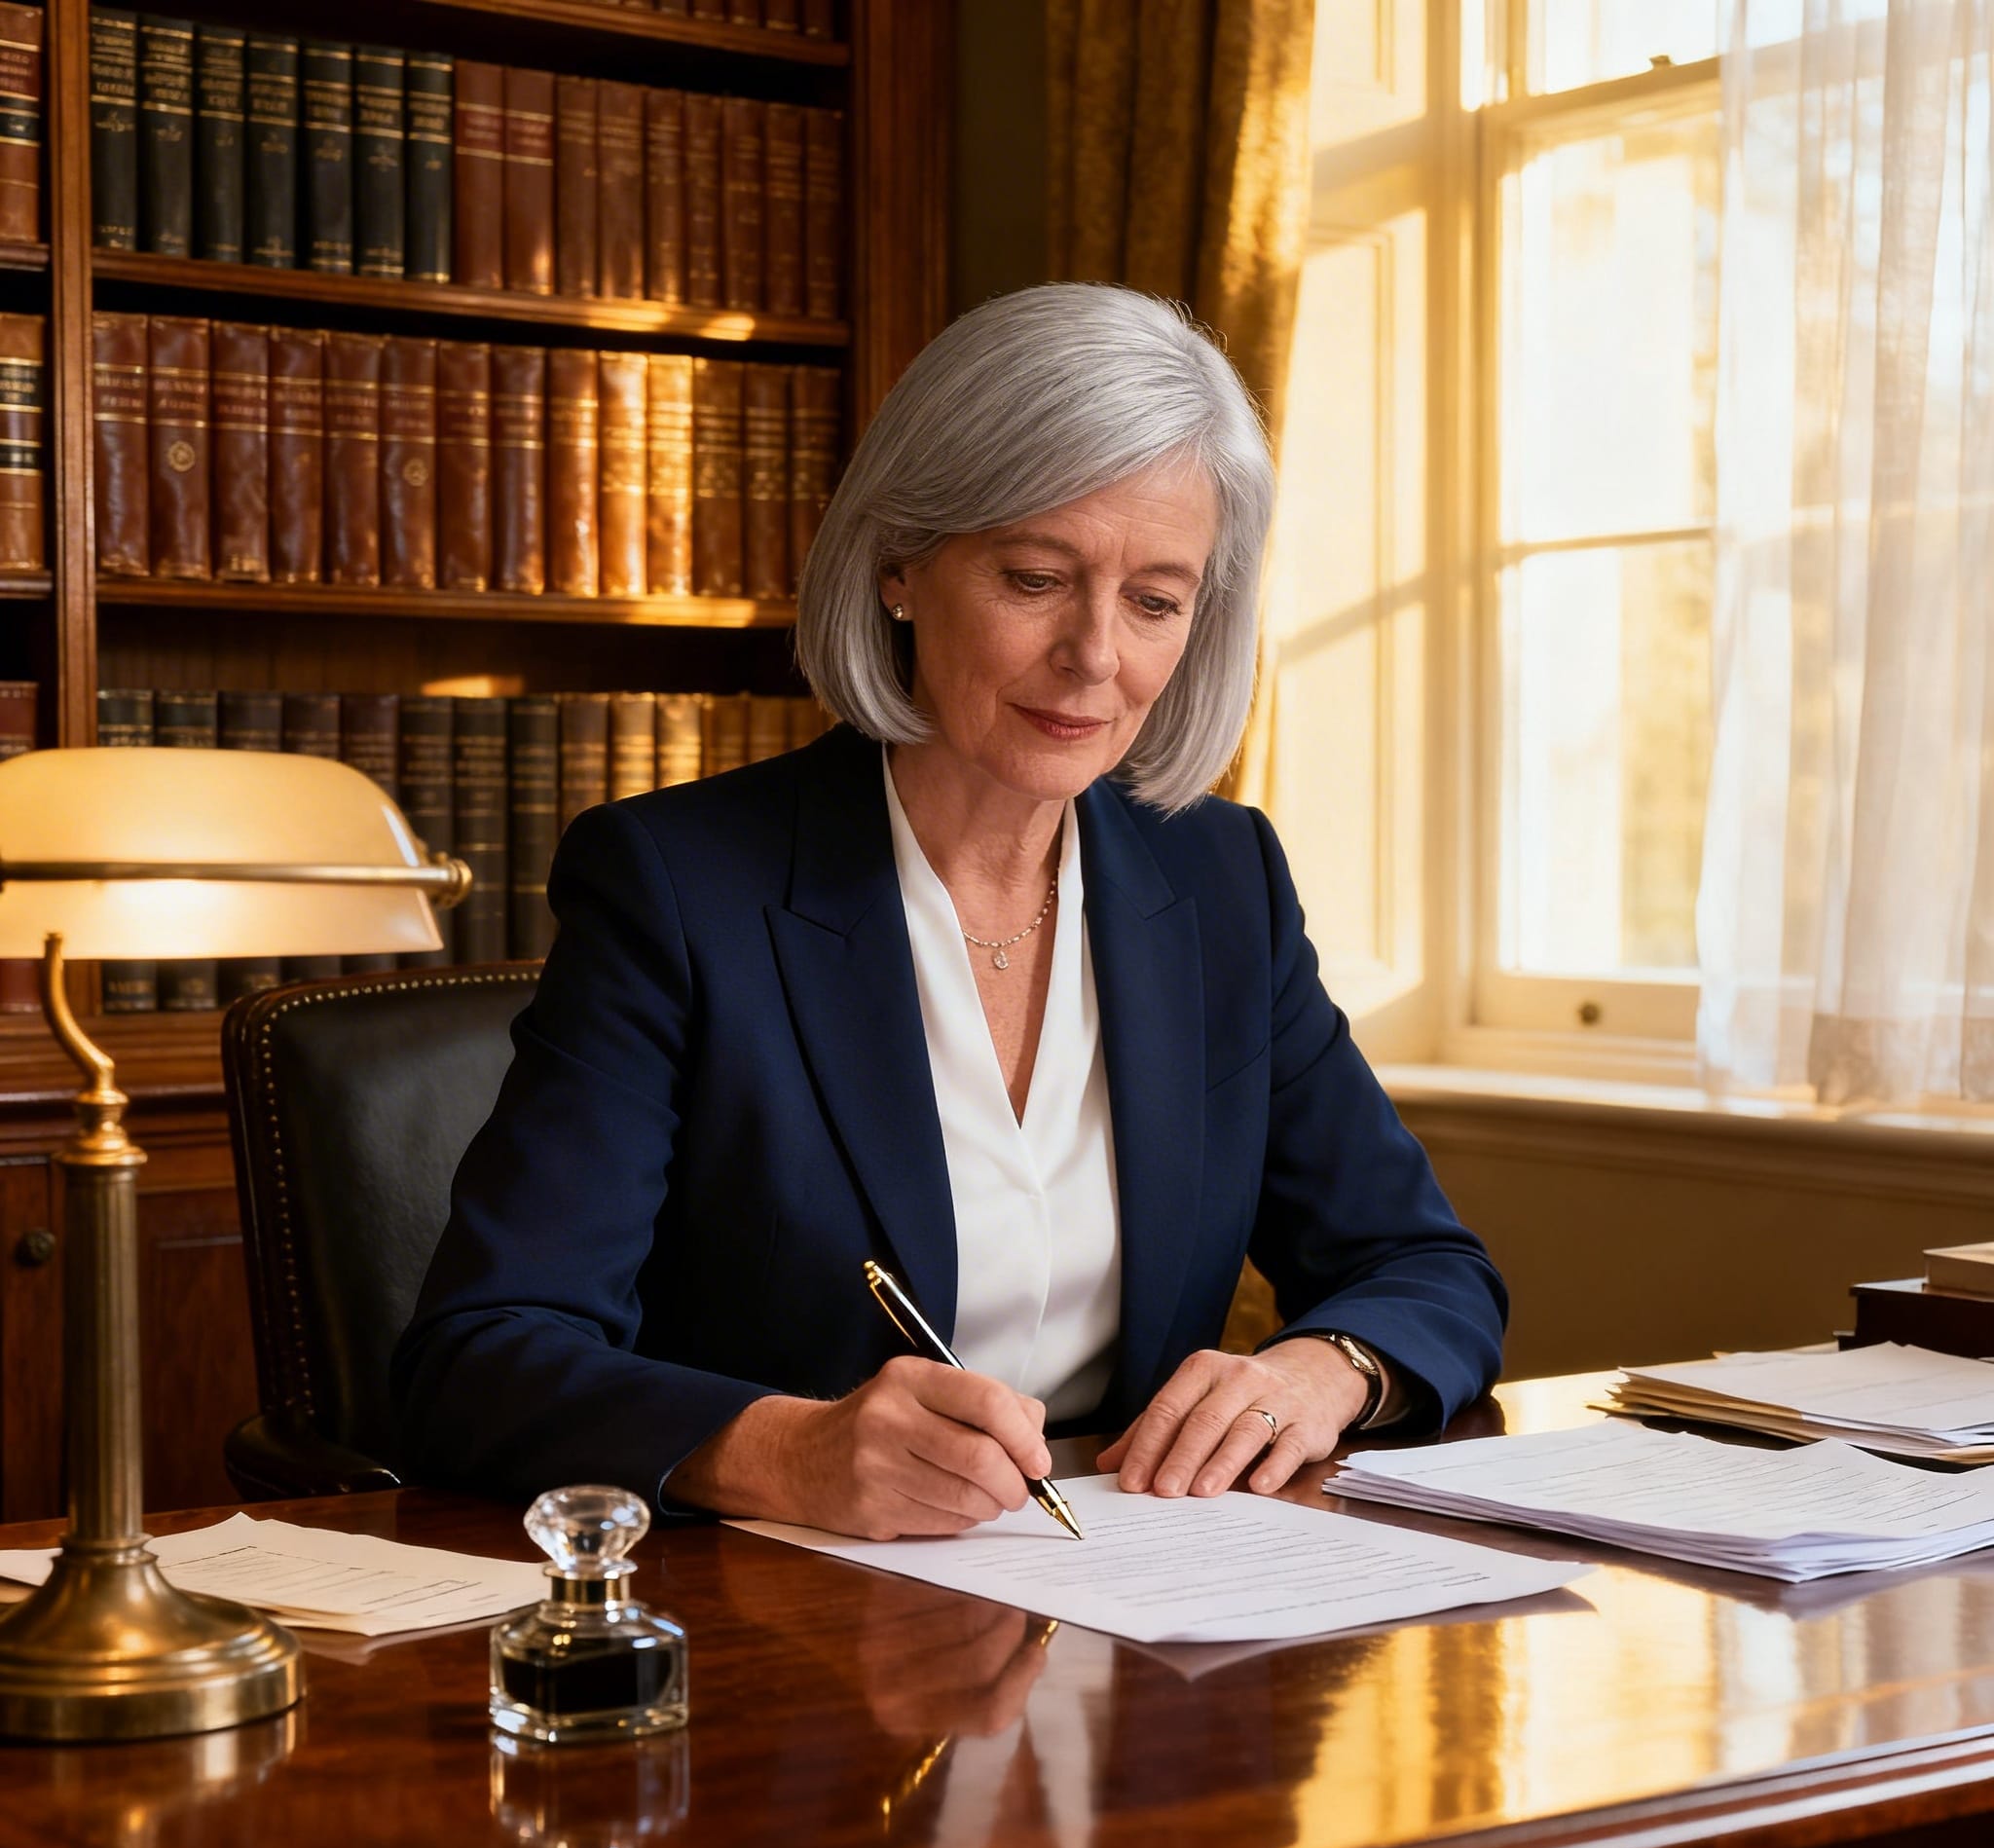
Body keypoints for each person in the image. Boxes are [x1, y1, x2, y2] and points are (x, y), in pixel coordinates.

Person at [391, 282, 1505, 1540]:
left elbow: (1425, 1270)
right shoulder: (680, 884)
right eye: (1036, 578)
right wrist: (780, 1450)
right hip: (797, 1611)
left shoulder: (1220, 881)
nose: (1097, 656)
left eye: (1155, 599)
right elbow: (480, 1357)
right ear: (899, 568)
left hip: (1142, 1596)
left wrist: (1326, 1370)